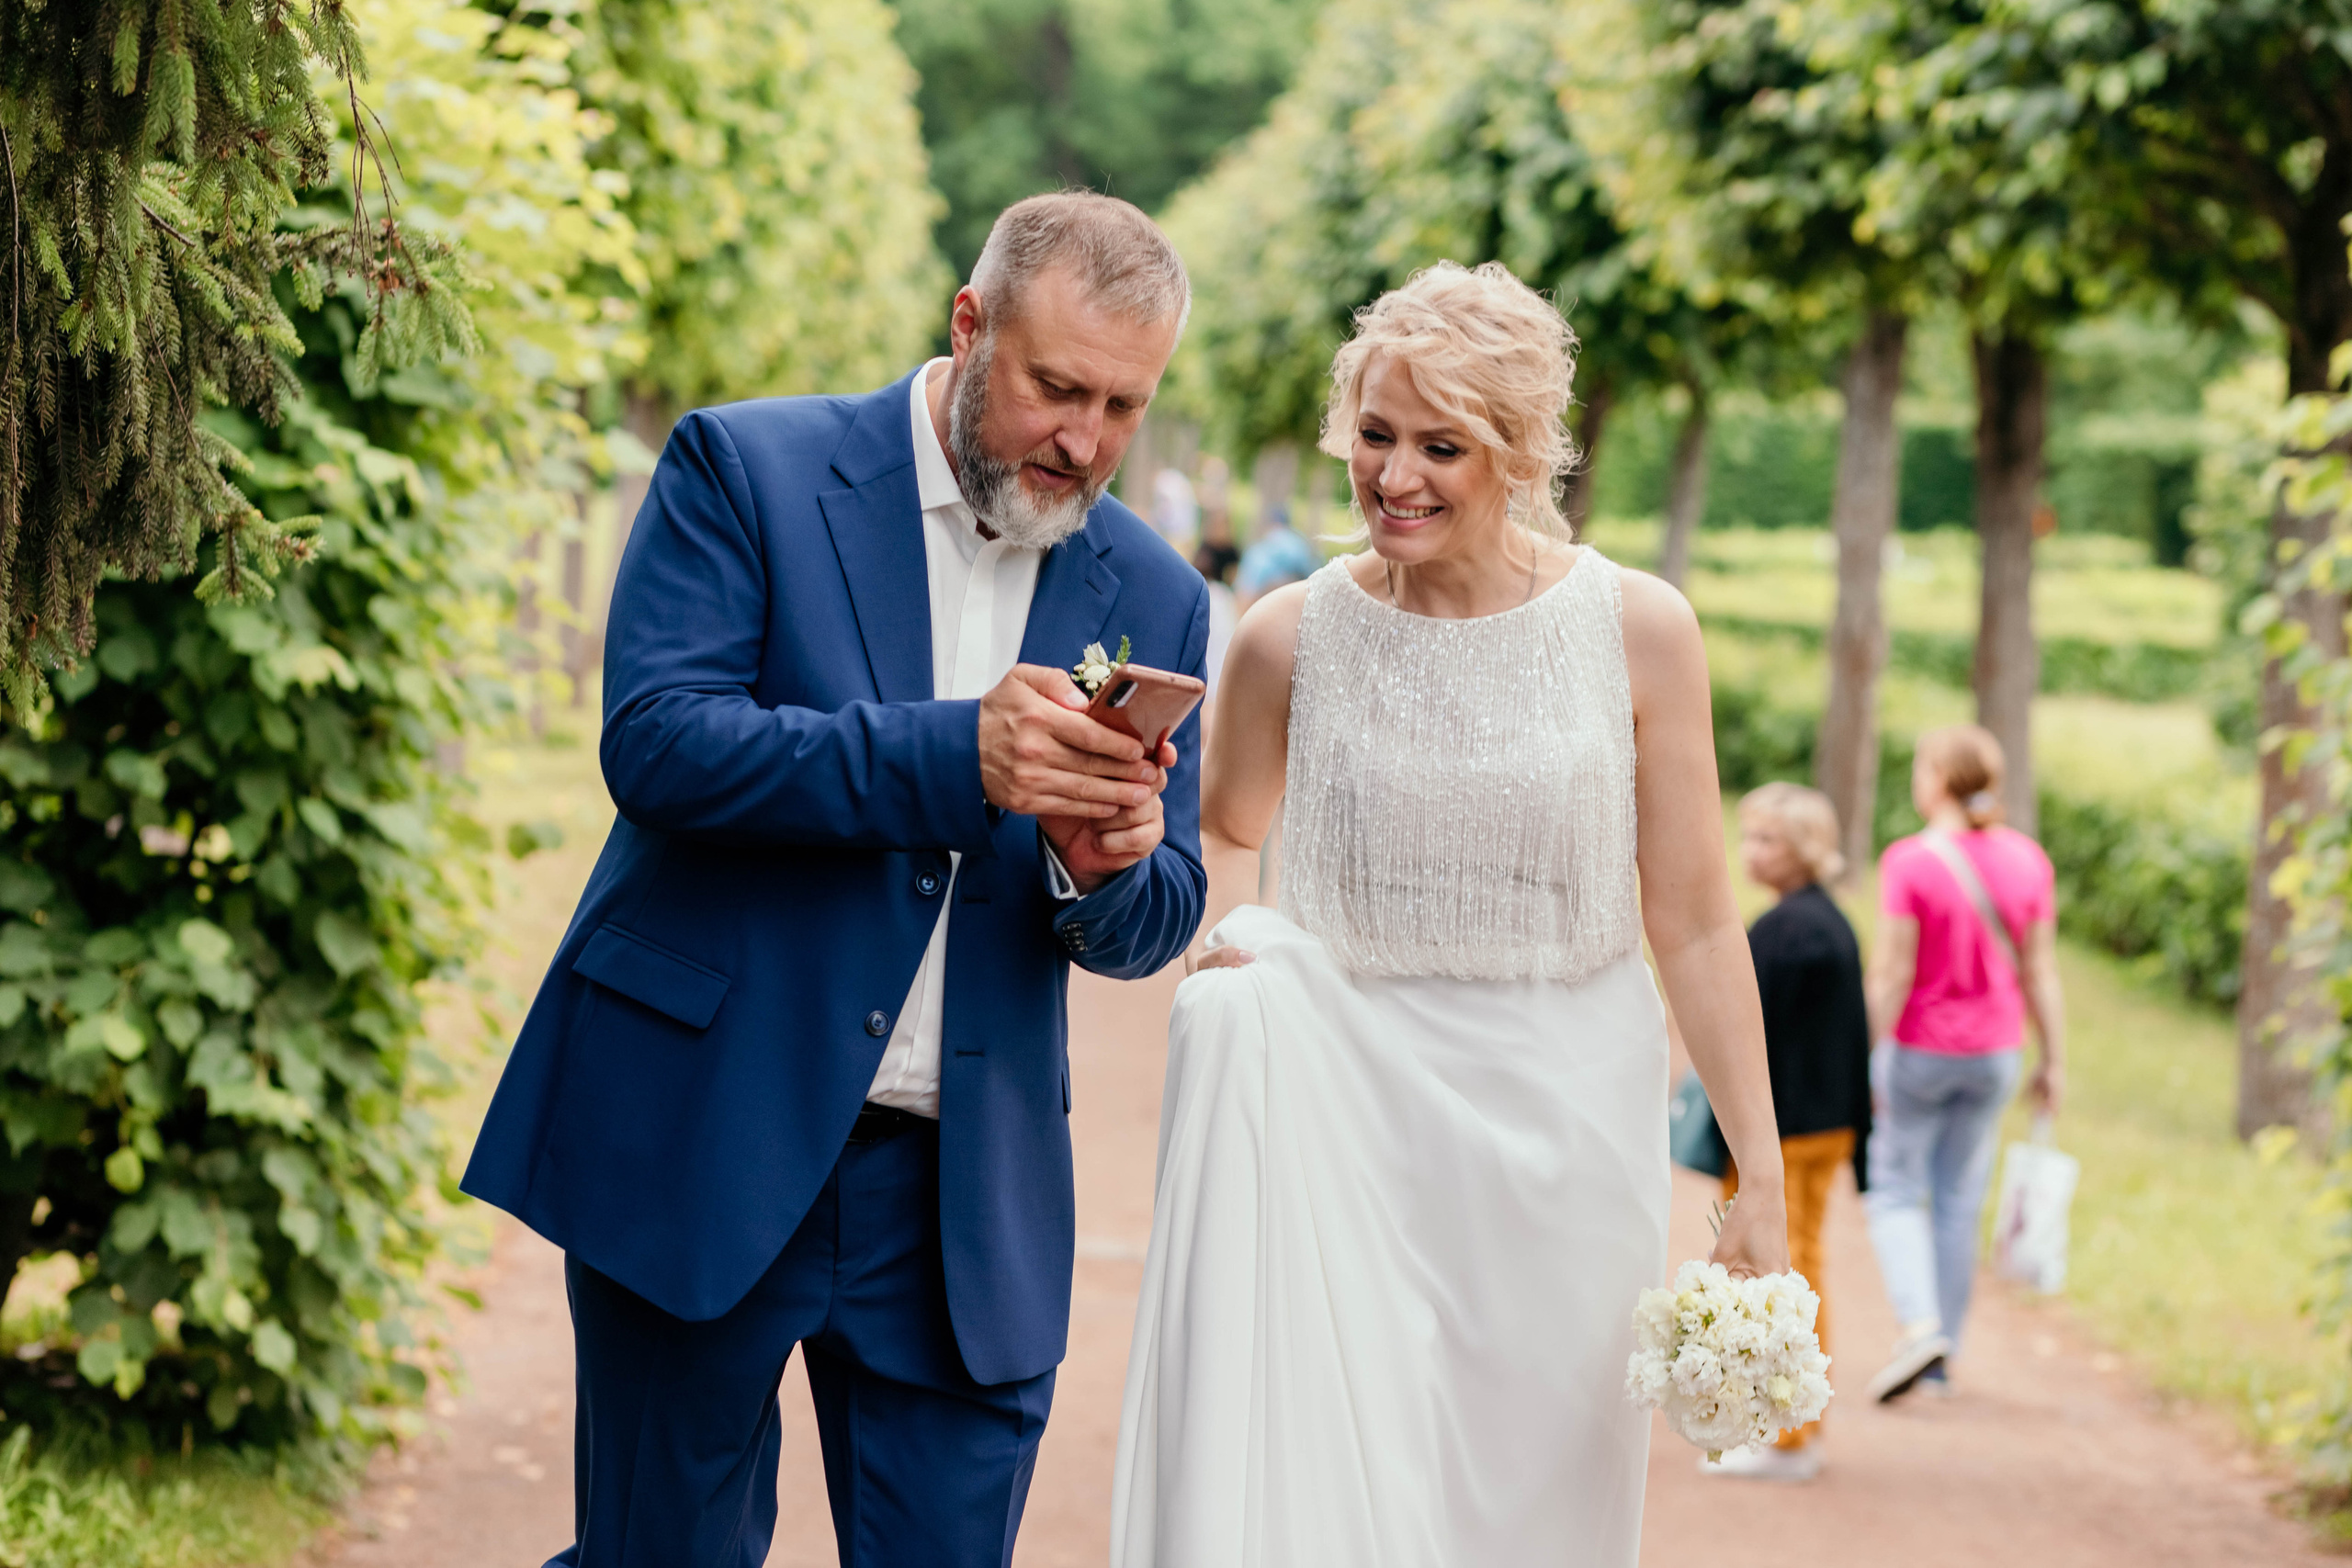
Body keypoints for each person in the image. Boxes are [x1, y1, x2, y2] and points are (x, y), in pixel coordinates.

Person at [461, 192, 1212, 1568]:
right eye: (1058, 388)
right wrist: (959, 756)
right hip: (707, 1127)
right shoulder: (744, 465)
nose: (1085, 441)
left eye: (1124, 406)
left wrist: (1103, 866)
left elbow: (1160, 906)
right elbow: (661, 742)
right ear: (970, 324)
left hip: (962, 1196)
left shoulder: (1151, 588)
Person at [1110, 261, 1789, 1566]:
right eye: (1374, 434)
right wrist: (1235, 956)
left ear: (1524, 452)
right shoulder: (1288, 635)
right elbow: (1222, 832)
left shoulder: (1640, 630)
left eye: (1443, 444)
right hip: (1340, 1111)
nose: (1395, 475)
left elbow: (1698, 919)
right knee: (1336, 1496)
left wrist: (1756, 1172)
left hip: (1567, 1120)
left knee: (1535, 1501)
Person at [1862, 725, 2066, 1404]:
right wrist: (2054, 1059)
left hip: (1921, 1049)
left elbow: (1892, 972)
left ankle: (1920, 1326)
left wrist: (1864, 1051)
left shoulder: (1910, 862)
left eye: (1922, 767)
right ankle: (1945, 1356)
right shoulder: (2029, 860)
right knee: (1957, 1199)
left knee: (1893, 1186)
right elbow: (2040, 969)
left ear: (1940, 779)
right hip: (1996, 1055)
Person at [1704, 782, 1873, 1483]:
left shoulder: (1784, 932)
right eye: (1749, 836)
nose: (1752, 851)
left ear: (1805, 848)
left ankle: (1790, 1430)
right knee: (1799, 1260)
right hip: (1824, 1120)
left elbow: (1744, 1037)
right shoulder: (1829, 921)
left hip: (1788, 1127)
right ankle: (1790, 1424)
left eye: (1769, 838)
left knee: (1782, 1266)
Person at [1232, 499, 1317, 610]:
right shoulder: (1300, 542)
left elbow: (1246, 587)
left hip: (1262, 597)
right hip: (1296, 599)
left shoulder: (1258, 548)